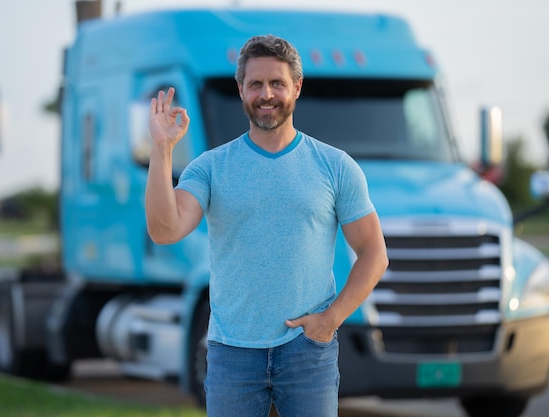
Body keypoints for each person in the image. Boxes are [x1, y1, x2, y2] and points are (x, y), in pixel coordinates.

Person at [145, 34, 388, 417]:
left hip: (307, 351)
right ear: (241, 89)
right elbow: (165, 230)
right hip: (232, 353)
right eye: (255, 84)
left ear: (297, 87)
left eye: (277, 83)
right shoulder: (210, 167)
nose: (266, 94)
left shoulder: (336, 166)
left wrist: (331, 320)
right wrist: (162, 150)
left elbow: (374, 254)